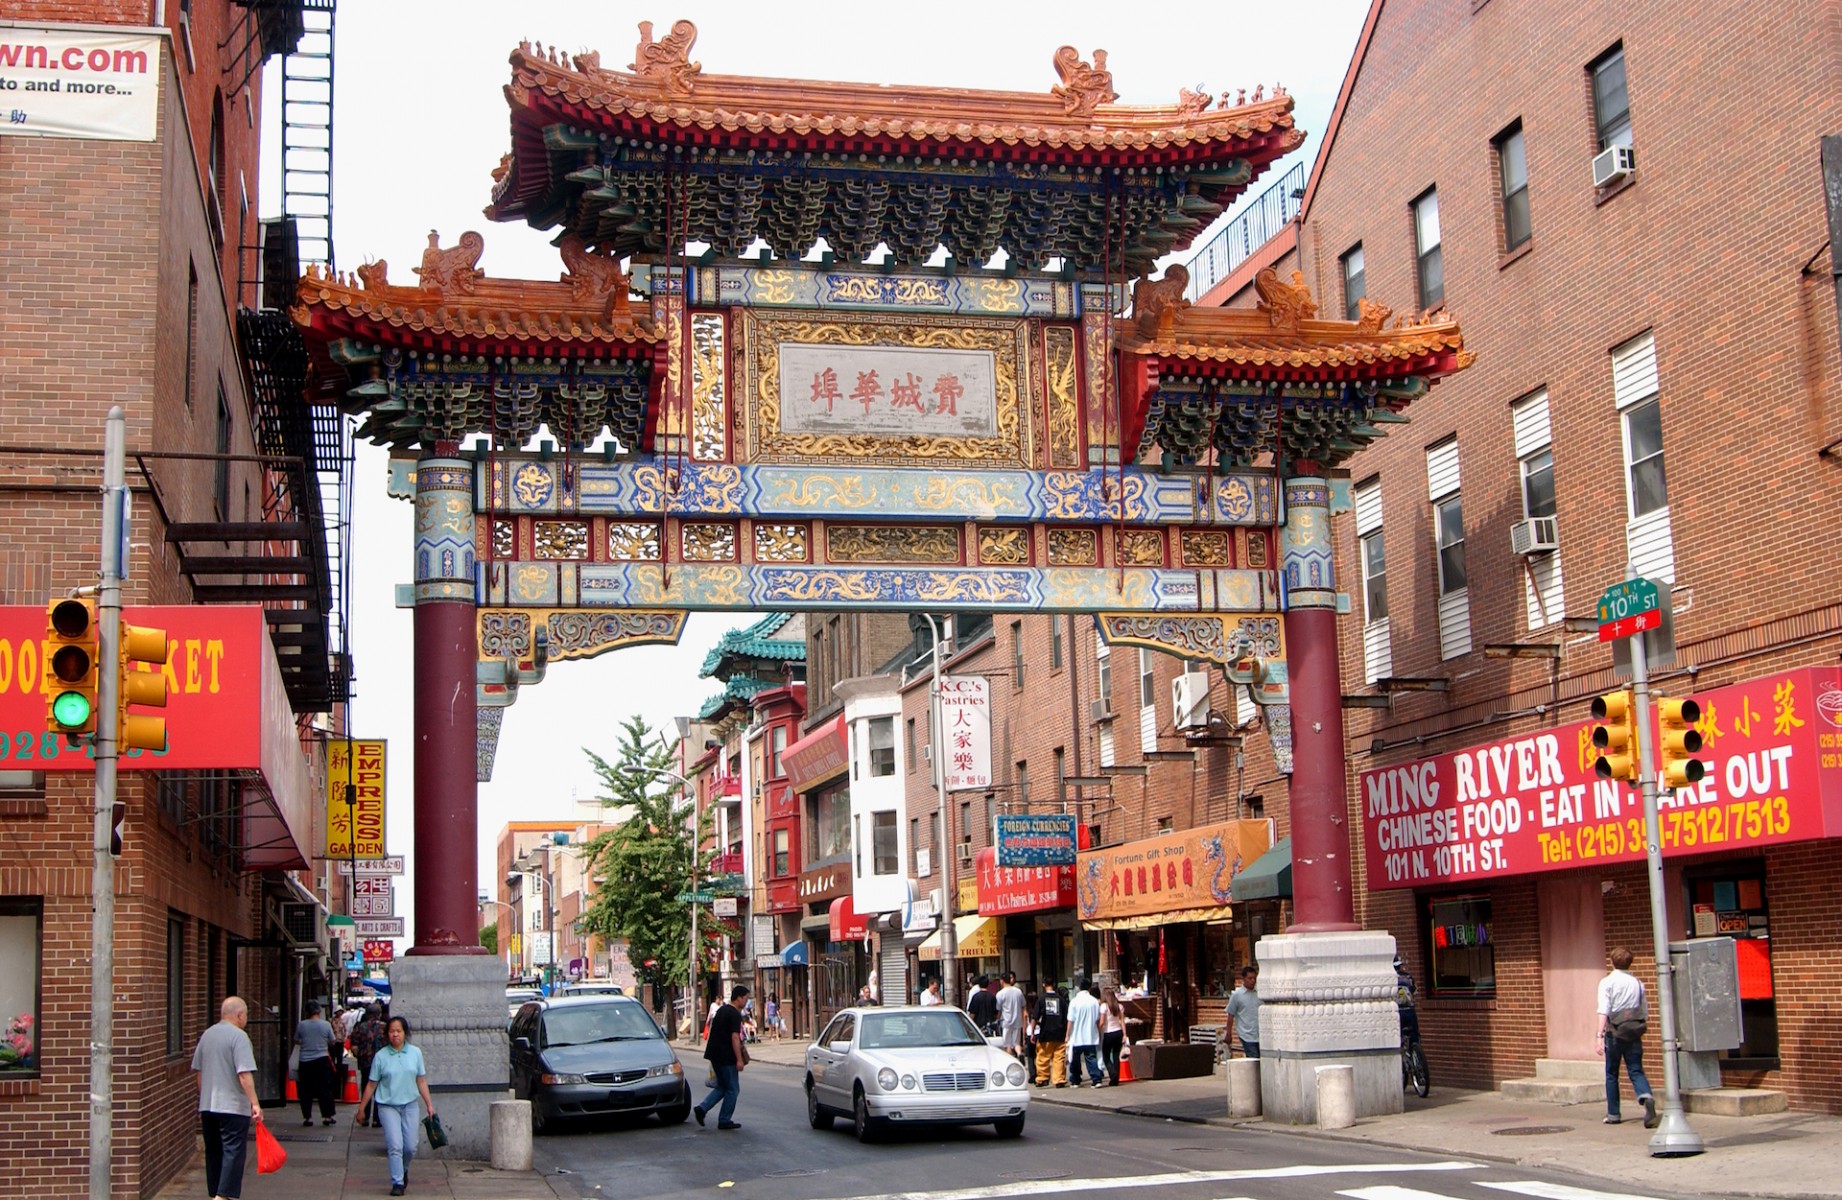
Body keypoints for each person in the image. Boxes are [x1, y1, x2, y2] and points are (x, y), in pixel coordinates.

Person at [193, 996, 264, 1200]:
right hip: (233, 1106)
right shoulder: (239, 1037)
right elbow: (244, 1074)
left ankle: (215, 1191)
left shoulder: (207, 1035)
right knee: (233, 1152)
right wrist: (255, 1103)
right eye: (246, 1015)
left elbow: (199, 1073)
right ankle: (222, 1197)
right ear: (240, 1015)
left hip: (208, 1105)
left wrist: (203, 1096)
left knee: (214, 1151)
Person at [360, 1016, 436, 1197]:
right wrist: (361, 1108)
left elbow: (421, 1080)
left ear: (405, 1033)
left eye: (398, 1031)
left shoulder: (415, 1053)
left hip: (410, 1104)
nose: (395, 1035)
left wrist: (429, 1104)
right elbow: (371, 1084)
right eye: (392, 1031)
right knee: (395, 1145)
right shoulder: (381, 1056)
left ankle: (403, 1169)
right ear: (387, 1034)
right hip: (388, 1106)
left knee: (410, 1146)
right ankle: (397, 1182)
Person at [1598, 946, 1657, 1128]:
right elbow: (1644, 1011)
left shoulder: (1607, 982)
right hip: (1633, 1032)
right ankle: (1645, 1094)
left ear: (1612, 962)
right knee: (1636, 1069)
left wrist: (1599, 1036)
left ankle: (1614, 1114)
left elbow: (1603, 1010)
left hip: (1614, 1033)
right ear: (1630, 963)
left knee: (1611, 1073)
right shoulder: (1638, 983)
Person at [694, 984, 750, 1130]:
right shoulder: (734, 1014)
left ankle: (702, 1108)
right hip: (727, 1057)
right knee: (733, 1089)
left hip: (715, 1054)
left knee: (723, 1087)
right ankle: (724, 1119)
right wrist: (739, 1059)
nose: (746, 1001)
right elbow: (735, 1038)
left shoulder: (721, 1010)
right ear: (738, 998)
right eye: (745, 998)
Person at [294, 1000, 339, 1126]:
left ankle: (308, 1117)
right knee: (324, 1088)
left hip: (305, 1061)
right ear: (319, 1011)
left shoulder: (301, 1025)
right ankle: (327, 1116)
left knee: (305, 1090)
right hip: (322, 1059)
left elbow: (296, 1040)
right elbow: (332, 1041)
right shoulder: (325, 1025)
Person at [350, 1003, 388, 1128]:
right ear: (379, 1014)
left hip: (366, 1062)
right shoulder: (385, 1027)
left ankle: (364, 1117)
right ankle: (377, 1119)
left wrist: (360, 1056)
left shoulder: (360, 1027)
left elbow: (354, 1046)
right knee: (380, 1092)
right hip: (383, 1063)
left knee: (366, 1088)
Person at [1032, 982, 1069, 1088]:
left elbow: (1035, 1017)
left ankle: (1042, 1078)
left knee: (1043, 1056)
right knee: (1059, 1057)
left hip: (1046, 1032)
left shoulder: (1041, 999)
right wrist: (1067, 1033)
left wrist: (1033, 1032)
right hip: (1059, 1032)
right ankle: (1059, 1079)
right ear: (1054, 984)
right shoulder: (1061, 1000)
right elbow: (1067, 1018)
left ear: (1043, 985)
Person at [1066, 981, 1104, 1087]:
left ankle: (1075, 1080)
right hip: (1090, 1035)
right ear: (1089, 988)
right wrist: (1099, 1032)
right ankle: (1097, 1079)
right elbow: (1097, 1019)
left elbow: (1070, 1020)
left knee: (1075, 1059)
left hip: (1076, 1036)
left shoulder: (1074, 1001)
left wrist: (1067, 1035)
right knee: (1091, 1057)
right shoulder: (1094, 1002)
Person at [1224, 965, 1262, 1059]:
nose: (1252, 981)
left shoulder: (1259, 994)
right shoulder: (1237, 995)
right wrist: (1228, 1033)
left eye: (1254, 978)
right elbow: (1230, 1015)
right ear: (1243, 979)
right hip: (1246, 1034)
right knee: (1254, 1059)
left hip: (1260, 1034)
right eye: (1250, 978)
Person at [1099, 985, 1128, 1085]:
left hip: (1108, 1033)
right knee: (1116, 1055)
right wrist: (1124, 1034)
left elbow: (1102, 1022)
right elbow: (1122, 1020)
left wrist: (1098, 1030)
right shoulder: (1119, 1006)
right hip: (1118, 1032)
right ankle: (1116, 1079)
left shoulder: (1104, 1007)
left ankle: (1113, 1073)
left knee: (1106, 1056)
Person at [996, 972, 1026, 1058]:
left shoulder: (1000, 994)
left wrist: (997, 1019)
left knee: (1007, 1044)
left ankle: (1010, 1058)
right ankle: (1019, 1054)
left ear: (1001, 981)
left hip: (1006, 1022)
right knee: (1016, 1042)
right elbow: (1023, 1005)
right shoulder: (1018, 992)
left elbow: (998, 1010)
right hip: (1018, 1021)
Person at [1394, 957, 1420, 1048]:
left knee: (1398, 1038)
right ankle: (1415, 1052)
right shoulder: (1408, 977)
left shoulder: (1389, 979)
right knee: (1414, 1035)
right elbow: (1415, 991)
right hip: (1410, 1010)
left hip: (1397, 1012)